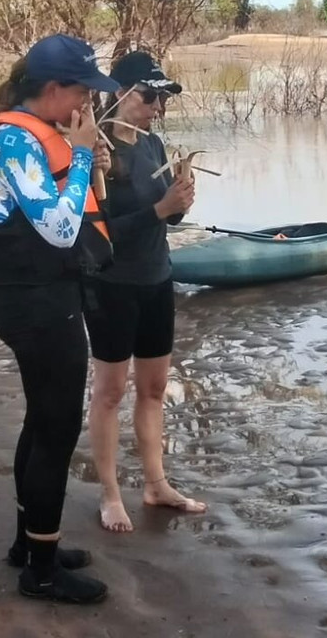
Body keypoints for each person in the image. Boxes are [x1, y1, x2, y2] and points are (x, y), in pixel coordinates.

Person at [0, 33, 118, 604]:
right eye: (82, 92)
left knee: (39, 422)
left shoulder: (17, 133)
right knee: (55, 432)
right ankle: (43, 574)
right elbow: (57, 228)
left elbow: (56, 205)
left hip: (29, 299)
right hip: (36, 305)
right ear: (53, 89)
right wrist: (78, 158)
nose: (88, 104)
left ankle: (30, 546)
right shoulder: (11, 140)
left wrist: (83, 162)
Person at [83, 50, 207, 533]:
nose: (157, 105)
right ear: (120, 92)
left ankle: (156, 485)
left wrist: (179, 200)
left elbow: (167, 218)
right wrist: (160, 210)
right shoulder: (97, 151)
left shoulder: (153, 145)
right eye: (149, 95)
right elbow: (102, 229)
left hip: (157, 278)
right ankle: (111, 494)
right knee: (111, 392)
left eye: (162, 97)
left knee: (154, 389)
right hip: (111, 285)